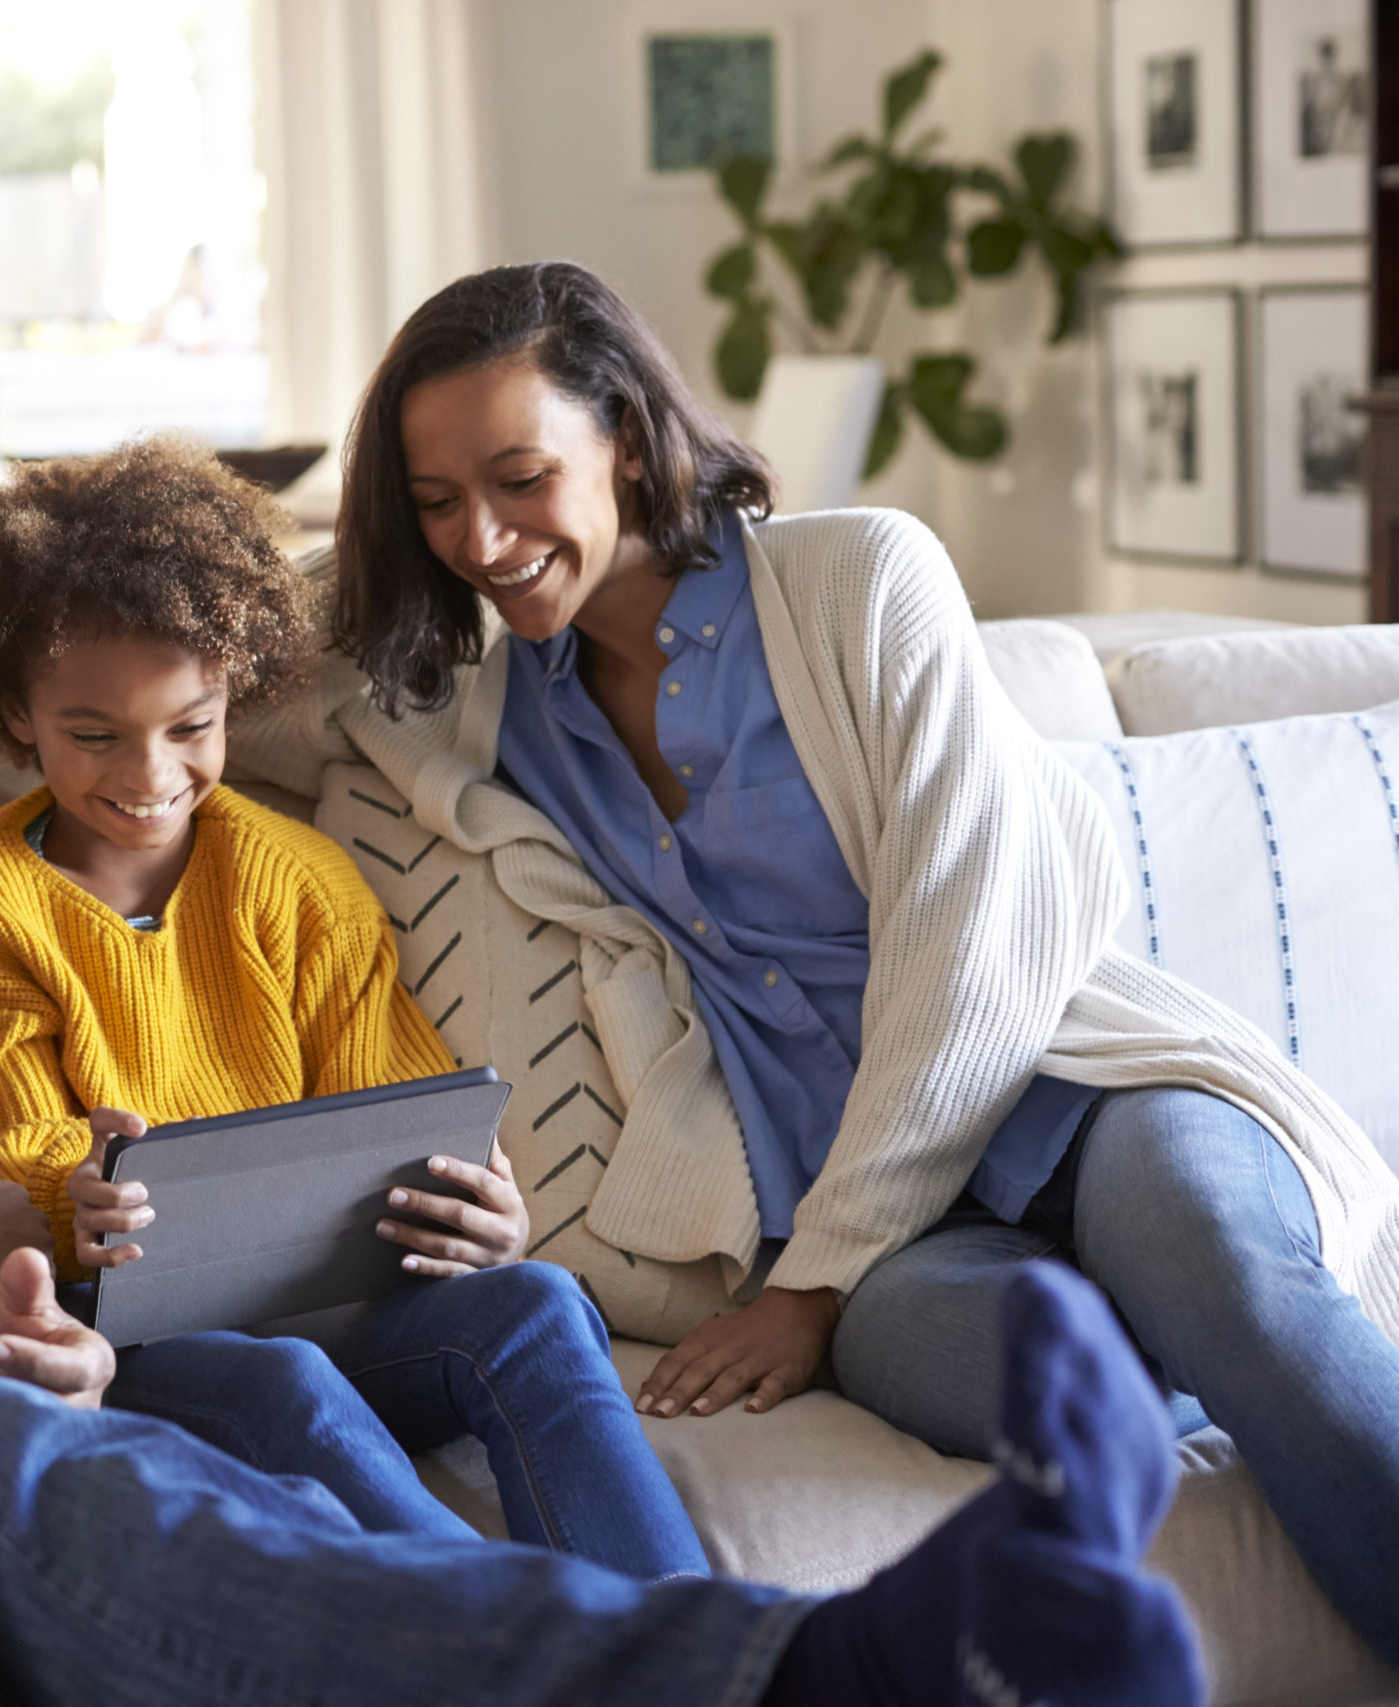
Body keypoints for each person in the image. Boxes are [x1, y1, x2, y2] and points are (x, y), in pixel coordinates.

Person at [0, 373, 1202, 1707]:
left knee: (182, 1426)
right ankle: (826, 1669)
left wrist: (21, 1303)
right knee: (105, 1461)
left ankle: (844, 1651)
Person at [331, 258, 1399, 1665]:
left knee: (1223, 1270)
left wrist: (810, 1282)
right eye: (435, 502)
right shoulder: (494, 716)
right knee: (1043, 1382)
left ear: (633, 445)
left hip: (1081, 1100)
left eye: (521, 477)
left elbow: (971, 940)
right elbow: (240, 652)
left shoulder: (856, 580)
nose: (481, 536)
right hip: (898, 1241)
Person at [0, 436, 705, 1575]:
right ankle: (525, 1648)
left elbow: (399, 1105)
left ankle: (696, 1640)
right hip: (135, 1339)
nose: (150, 774)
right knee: (280, 1376)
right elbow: (17, 1135)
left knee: (535, 1304)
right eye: (93, 735)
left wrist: (481, 1211)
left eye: (192, 726)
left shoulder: (298, 876)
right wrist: (71, 1184)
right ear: (12, 710)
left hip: (335, 1312)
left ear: (235, 690)